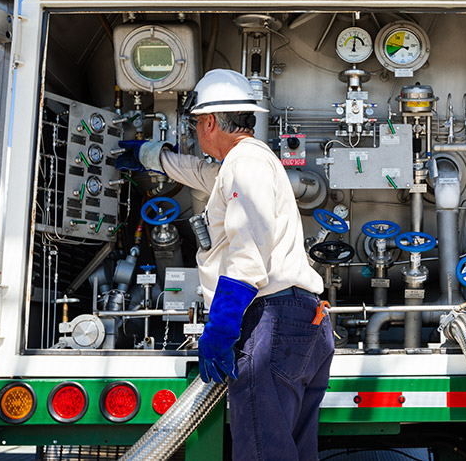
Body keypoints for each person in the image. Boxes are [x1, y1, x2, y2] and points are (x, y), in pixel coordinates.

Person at [116, 69, 334, 461]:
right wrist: (148, 156)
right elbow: (200, 173)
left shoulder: (245, 164)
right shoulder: (249, 162)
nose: (197, 134)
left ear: (209, 122)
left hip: (272, 322)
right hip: (305, 322)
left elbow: (248, 253)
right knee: (293, 452)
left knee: (264, 454)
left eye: (197, 123)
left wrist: (221, 327)